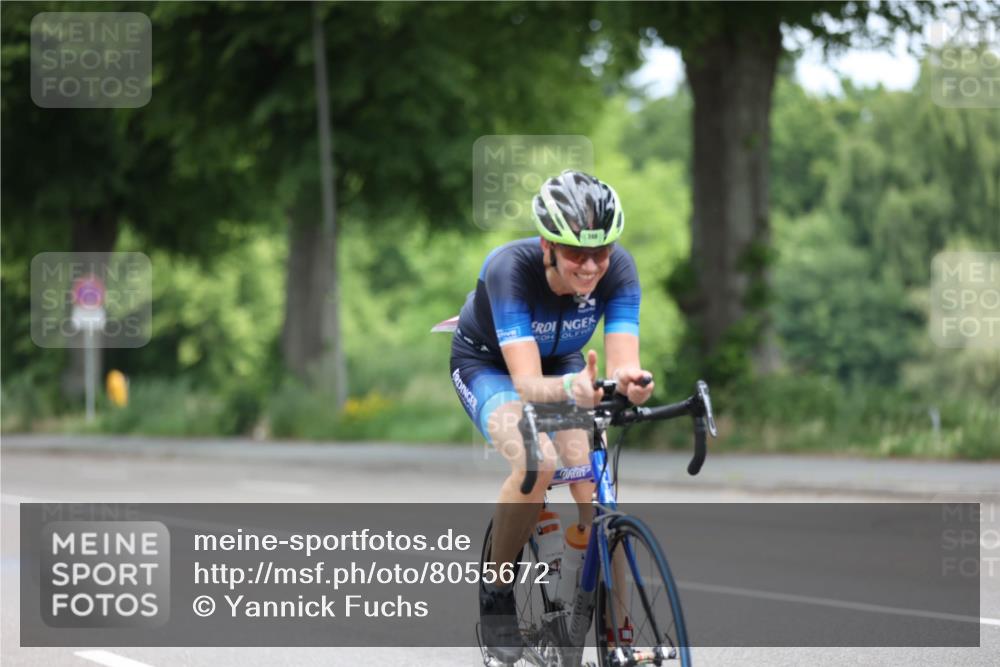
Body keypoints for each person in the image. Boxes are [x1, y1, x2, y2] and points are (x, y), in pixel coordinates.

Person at [449, 169, 655, 663]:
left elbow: (624, 365)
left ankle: (616, 636)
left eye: (600, 252)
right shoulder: (509, 269)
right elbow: (526, 384)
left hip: (563, 363)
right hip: (491, 365)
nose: (590, 266)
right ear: (547, 245)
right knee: (535, 463)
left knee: (602, 498)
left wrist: (631, 384)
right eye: (576, 254)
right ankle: (497, 597)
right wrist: (572, 390)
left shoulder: (620, 270)